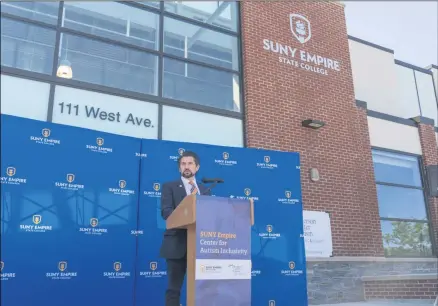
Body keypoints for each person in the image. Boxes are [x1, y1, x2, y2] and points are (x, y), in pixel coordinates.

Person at [159, 150, 211, 306]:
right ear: (179, 168)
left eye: (190, 163)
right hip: (176, 245)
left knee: (204, 289)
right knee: (174, 289)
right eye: (183, 164)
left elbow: (211, 215)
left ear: (197, 167)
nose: (186, 167)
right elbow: (166, 212)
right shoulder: (169, 187)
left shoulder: (206, 190)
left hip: (201, 246)